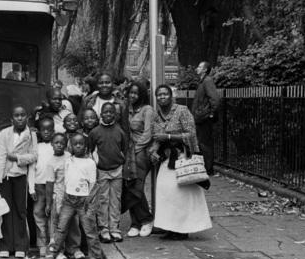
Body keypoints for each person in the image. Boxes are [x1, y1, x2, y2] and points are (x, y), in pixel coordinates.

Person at [149, 84, 212, 240]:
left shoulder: (182, 111)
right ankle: (171, 227)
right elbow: (157, 137)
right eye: (159, 95)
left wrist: (169, 137)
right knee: (166, 194)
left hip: (183, 157)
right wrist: (154, 152)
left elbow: (191, 134)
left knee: (182, 194)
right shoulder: (157, 116)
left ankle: (183, 229)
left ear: (171, 96)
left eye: (165, 94)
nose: (162, 97)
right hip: (166, 159)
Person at [47, 133, 102, 259]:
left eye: (81, 144)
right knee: (61, 227)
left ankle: (96, 258)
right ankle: (54, 251)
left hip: (84, 201)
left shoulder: (90, 163)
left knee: (89, 230)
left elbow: (94, 185)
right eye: (75, 144)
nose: (78, 146)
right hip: (68, 199)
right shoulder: (68, 161)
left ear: (85, 146)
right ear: (70, 146)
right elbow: (66, 180)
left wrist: (90, 205)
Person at [0, 106, 38, 258]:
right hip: (5, 176)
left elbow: (34, 156)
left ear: (27, 118)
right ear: (12, 119)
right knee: (5, 210)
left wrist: (18, 158)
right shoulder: (5, 133)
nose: (20, 118)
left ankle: (20, 246)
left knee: (20, 210)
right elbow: (1, 156)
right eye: (16, 115)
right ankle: (5, 245)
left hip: (20, 176)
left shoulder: (31, 135)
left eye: (22, 115)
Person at [87, 102, 127, 243]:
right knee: (103, 199)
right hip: (102, 170)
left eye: (111, 112)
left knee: (115, 200)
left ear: (115, 115)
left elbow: (124, 149)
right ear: (101, 114)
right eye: (106, 112)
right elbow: (91, 151)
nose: (108, 114)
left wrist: (122, 163)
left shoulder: (120, 131)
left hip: (117, 170)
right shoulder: (95, 132)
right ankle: (103, 228)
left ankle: (114, 228)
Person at [122, 82, 155, 238]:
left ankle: (146, 219)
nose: (132, 96)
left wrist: (135, 150)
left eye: (136, 93)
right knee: (129, 185)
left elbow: (148, 134)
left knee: (136, 185)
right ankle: (135, 222)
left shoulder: (147, 110)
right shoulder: (128, 109)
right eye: (131, 93)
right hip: (129, 151)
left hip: (142, 151)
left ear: (142, 94)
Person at [31, 117, 56, 256]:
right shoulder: (36, 147)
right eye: (43, 130)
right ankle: (42, 243)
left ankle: (53, 243)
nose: (46, 132)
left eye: (49, 129)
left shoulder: (56, 145)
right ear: (39, 131)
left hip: (53, 186)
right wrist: (31, 187)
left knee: (53, 214)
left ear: (54, 131)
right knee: (39, 214)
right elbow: (32, 168)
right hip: (39, 185)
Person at [192, 61, 221, 175]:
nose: (197, 68)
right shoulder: (203, 81)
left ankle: (209, 169)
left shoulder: (207, 81)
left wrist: (211, 113)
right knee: (202, 143)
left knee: (205, 144)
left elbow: (215, 99)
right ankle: (206, 167)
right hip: (201, 117)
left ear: (204, 69)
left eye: (199, 67)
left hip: (204, 117)